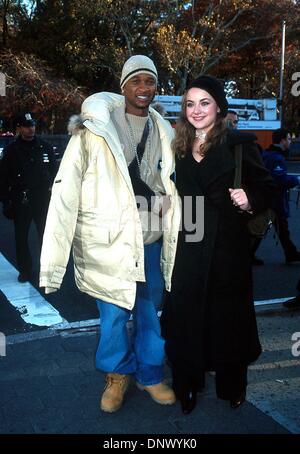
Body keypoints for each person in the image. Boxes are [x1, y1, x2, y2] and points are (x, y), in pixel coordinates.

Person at [39, 55, 181, 413]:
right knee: (114, 315)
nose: (144, 88)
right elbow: (66, 187)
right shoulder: (93, 129)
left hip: (149, 240)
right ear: (124, 86)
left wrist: (169, 202)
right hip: (108, 243)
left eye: (150, 81)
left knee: (149, 314)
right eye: (137, 81)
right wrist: (53, 262)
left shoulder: (164, 129)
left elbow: (170, 179)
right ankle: (117, 375)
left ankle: (150, 374)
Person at [160, 75, 276, 415]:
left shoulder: (240, 144)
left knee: (229, 320)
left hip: (228, 244)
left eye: (204, 102)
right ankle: (187, 386)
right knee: (186, 318)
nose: (196, 110)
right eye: (190, 103)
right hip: (190, 238)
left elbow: (267, 187)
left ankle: (233, 387)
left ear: (218, 107)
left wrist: (249, 197)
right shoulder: (175, 147)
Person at [0, 113, 56, 282]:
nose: (30, 129)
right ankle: (25, 270)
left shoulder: (45, 147)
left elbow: (55, 173)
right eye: (26, 126)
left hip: (42, 199)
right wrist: (6, 201)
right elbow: (3, 176)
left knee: (46, 237)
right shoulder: (11, 150)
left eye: (32, 125)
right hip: (21, 199)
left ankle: (47, 271)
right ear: (19, 128)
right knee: (21, 238)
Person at [262, 129, 300, 264]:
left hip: (266, 198)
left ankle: (291, 253)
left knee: (274, 228)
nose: (290, 142)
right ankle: (291, 254)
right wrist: (296, 181)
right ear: (282, 140)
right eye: (289, 139)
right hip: (275, 200)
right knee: (280, 228)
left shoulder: (267, 154)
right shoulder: (276, 158)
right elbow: (280, 180)